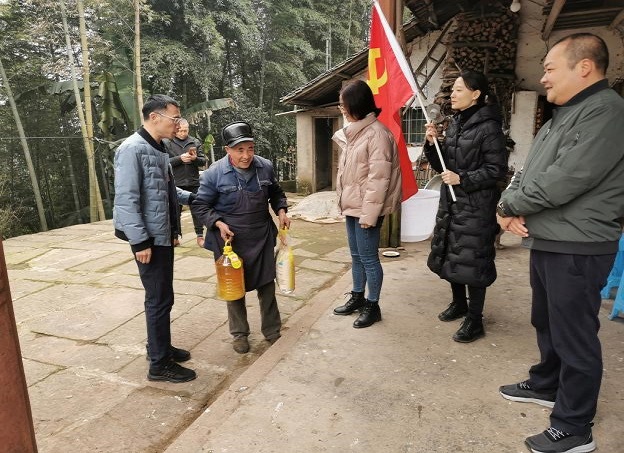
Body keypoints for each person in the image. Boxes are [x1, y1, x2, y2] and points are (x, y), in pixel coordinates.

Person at [497, 33, 624, 453]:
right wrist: (507, 204)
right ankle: (548, 384)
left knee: (574, 335)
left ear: (584, 67)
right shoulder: (562, 116)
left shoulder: (606, 112)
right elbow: (528, 173)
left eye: (550, 68)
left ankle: (574, 426)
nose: (544, 77)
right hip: (551, 238)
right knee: (547, 321)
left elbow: (567, 178)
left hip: (579, 243)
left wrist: (510, 205)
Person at [113, 94, 196, 383]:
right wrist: (139, 242)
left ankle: (159, 347)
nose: (178, 123)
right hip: (148, 239)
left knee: (163, 297)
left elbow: (165, 190)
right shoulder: (131, 149)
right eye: (175, 118)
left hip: (162, 233)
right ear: (154, 117)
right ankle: (159, 365)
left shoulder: (158, 148)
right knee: (158, 299)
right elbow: (126, 199)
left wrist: (193, 198)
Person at [423, 71, 508, 343]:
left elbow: (497, 170)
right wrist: (432, 145)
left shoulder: (489, 128)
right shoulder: (456, 123)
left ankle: (475, 319)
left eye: (459, 89)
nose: (453, 94)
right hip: (453, 202)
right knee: (453, 254)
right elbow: (444, 165)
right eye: (453, 90)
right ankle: (459, 303)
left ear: (476, 95)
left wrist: (463, 178)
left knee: (474, 261)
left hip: (476, 206)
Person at [191, 121, 290, 354]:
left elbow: (276, 193)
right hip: (230, 239)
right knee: (234, 287)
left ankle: (272, 330)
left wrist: (281, 210)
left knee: (267, 284)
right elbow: (200, 205)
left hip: (261, 235)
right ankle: (239, 334)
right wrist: (217, 222)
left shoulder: (265, 167)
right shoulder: (214, 173)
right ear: (228, 150)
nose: (246, 156)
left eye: (250, 149)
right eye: (239, 150)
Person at [331, 79, 402, 328]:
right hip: (353, 206)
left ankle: (373, 305)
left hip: (367, 209)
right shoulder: (356, 132)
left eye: (344, 105)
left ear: (356, 105)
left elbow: (379, 180)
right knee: (356, 256)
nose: (342, 109)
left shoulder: (377, 135)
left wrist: (369, 215)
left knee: (369, 258)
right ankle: (358, 296)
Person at [164, 118, 207, 247]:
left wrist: (194, 159)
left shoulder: (195, 141)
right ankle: (175, 236)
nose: (183, 133)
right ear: (176, 129)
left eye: (185, 130)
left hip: (193, 181)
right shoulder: (167, 142)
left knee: (197, 210)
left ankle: (200, 235)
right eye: (180, 131)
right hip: (176, 182)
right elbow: (163, 162)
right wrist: (179, 159)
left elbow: (203, 161)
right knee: (175, 212)